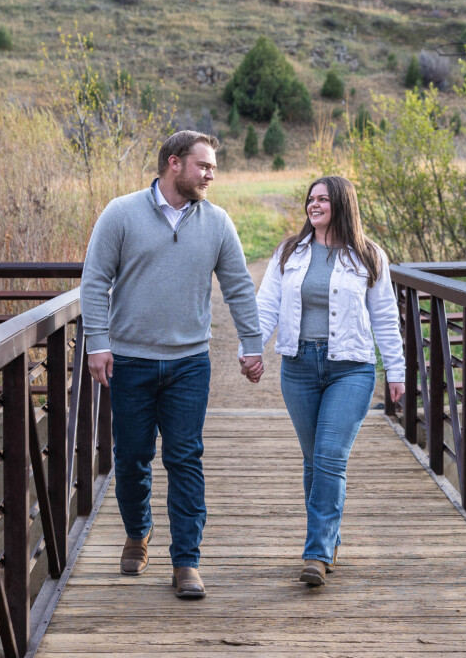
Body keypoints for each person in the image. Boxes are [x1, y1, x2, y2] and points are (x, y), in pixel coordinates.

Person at [81, 130, 264, 600]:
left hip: (188, 363)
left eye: (214, 169)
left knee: (185, 458)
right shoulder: (121, 214)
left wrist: (252, 342)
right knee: (132, 458)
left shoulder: (218, 222)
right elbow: (95, 279)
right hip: (130, 361)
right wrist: (97, 343)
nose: (210, 175)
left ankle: (186, 561)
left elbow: (239, 286)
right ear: (173, 163)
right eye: (203, 166)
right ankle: (138, 533)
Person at [245, 175, 405, 587]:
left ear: (341, 203)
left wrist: (396, 371)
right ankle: (329, 538)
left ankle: (315, 552)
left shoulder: (370, 256)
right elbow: (267, 308)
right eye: (309, 198)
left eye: (322, 199)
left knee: (330, 456)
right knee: (314, 459)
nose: (313, 205)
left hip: (350, 368)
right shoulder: (290, 253)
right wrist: (252, 349)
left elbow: (386, 318)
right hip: (298, 367)